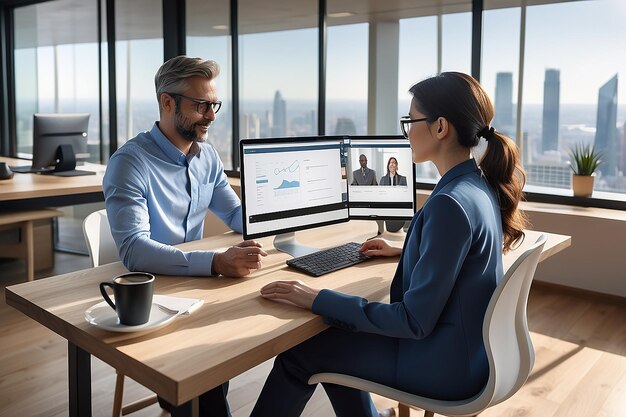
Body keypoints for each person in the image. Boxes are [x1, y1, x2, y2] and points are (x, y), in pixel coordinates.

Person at [250, 72, 527, 417]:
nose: (407, 131)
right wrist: (410, 249)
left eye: (411, 120)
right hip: (465, 355)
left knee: (300, 354)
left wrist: (316, 298)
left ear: (441, 127)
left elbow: (413, 321)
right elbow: (459, 256)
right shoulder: (475, 185)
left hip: (444, 368)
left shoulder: (449, 204)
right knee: (333, 345)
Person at [103, 55, 267, 416]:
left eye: (214, 105)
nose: (211, 115)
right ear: (167, 101)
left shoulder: (206, 156)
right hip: (156, 296)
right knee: (205, 382)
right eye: (201, 106)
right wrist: (216, 261)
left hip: (199, 290)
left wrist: (282, 209)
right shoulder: (130, 163)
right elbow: (133, 250)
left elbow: (238, 215)